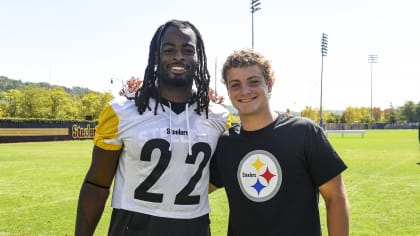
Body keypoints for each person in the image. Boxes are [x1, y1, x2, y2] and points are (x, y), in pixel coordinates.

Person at [75, 19, 230, 236]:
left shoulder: (219, 117)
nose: (178, 56)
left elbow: (220, 175)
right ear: (156, 56)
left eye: (187, 50)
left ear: (198, 58)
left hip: (194, 227)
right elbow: (97, 184)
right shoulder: (122, 111)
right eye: (169, 49)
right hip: (133, 227)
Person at [210, 49, 350, 236]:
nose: (245, 90)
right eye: (235, 84)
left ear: (269, 84)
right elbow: (193, 188)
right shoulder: (225, 144)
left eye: (253, 81)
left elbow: (336, 198)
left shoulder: (304, 132)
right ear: (228, 91)